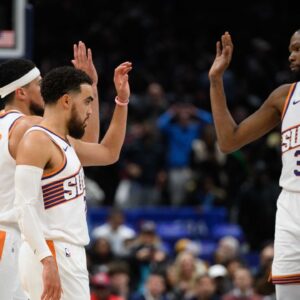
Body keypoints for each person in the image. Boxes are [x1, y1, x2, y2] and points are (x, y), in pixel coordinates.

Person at [14, 62, 132, 299]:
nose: (91, 109)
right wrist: (46, 260)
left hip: (66, 251)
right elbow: (23, 206)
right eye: (88, 101)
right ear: (66, 101)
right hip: (52, 250)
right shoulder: (37, 140)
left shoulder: (64, 141)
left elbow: (109, 153)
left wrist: (121, 101)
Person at [0, 41, 99, 300]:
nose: (44, 90)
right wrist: (89, 92)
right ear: (21, 92)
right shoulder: (31, 128)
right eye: (39, 85)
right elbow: (89, 148)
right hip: (15, 236)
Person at [208, 29, 300, 299]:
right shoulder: (284, 96)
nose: (291, 56)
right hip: (290, 208)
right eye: (289, 50)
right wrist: (215, 80)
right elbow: (228, 141)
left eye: (297, 49)